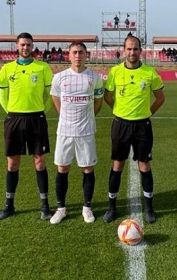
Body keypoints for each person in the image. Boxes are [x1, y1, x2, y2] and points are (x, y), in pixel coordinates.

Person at [103, 36, 165, 224]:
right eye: (129, 49)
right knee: (117, 165)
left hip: (142, 126)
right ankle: (111, 208)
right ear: (124, 50)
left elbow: (160, 98)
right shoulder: (115, 72)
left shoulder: (150, 73)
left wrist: (147, 113)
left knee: (144, 165)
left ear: (141, 51)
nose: (132, 52)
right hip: (120, 125)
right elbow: (108, 96)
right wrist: (119, 111)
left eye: (135, 49)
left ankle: (149, 208)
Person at [0, 32, 54, 221]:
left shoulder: (43, 68)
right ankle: (9, 205)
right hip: (14, 119)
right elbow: (3, 96)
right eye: (22, 45)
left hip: (37, 119)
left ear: (32, 46)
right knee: (12, 163)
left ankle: (45, 206)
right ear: (17, 46)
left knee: (40, 161)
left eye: (28, 45)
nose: (25, 48)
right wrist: (11, 112)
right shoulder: (6, 69)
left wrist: (40, 110)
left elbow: (50, 95)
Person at [49, 41, 103, 224]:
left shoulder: (94, 78)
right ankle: (61, 208)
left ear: (86, 55)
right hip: (64, 131)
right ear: (69, 55)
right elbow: (56, 100)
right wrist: (65, 116)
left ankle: (87, 208)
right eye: (74, 52)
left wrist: (87, 118)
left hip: (86, 131)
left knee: (87, 168)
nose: (78, 56)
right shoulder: (59, 78)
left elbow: (98, 103)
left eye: (81, 52)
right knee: (62, 168)